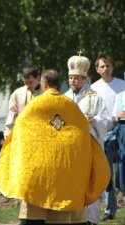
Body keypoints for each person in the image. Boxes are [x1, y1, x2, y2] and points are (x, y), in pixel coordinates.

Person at [0, 69, 110, 225]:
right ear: (58, 84)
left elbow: (20, 130)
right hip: (64, 171)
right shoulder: (71, 106)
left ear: (43, 84)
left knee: (35, 212)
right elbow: (83, 132)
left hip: (40, 172)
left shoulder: (34, 105)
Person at [64, 54, 110, 225]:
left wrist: (95, 120)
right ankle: (74, 217)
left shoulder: (95, 97)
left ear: (84, 78)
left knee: (90, 181)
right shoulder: (64, 98)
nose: (73, 81)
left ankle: (90, 219)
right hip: (70, 149)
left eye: (76, 78)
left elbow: (106, 120)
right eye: (70, 78)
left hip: (89, 148)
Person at [91, 52, 125, 221]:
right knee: (106, 173)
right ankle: (110, 208)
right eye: (102, 66)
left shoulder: (122, 85)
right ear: (97, 69)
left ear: (112, 67)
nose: (105, 69)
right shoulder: (93, 89)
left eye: (108, 65)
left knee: (122, 172)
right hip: (103, 134)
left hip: (122, 132)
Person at [3, 65, 42, 138]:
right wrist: (7, 134)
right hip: (22, 135)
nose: (28, 85)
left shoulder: (46, 92)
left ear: (38, 78)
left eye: (30, 82)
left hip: (41, 135)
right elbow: (12, 115)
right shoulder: (17, 94)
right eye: (25, 82)